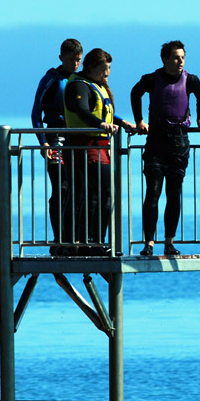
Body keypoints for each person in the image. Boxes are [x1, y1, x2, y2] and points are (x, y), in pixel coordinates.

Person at [130, 40, 200, 256]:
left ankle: (168, 242)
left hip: (179, 142)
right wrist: (139, 120)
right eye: (176, 57)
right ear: (165, 59)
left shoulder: (190, 80)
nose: (180, 61)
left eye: (183, 57)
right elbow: (135, 93)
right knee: (153, 191)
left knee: (174, 193)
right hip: (156, 141)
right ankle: (149, 243)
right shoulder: (151, 79)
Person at [63, 48, 135, 255]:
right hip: (83, 146)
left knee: (97, 194)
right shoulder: (79, 85)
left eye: (109, 69)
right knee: (94, 193)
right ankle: (81, 242)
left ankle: (93, 241)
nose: (107, 74)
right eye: (104, 69)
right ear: (92, 67)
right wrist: (101, 125)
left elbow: (104, 112)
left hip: (99, 146)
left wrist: (122, 122)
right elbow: (82, 111)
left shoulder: (97, 86)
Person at [32, 38, 83, 255]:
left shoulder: (81, 80)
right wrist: (43, 142)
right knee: (61, 188)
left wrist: (120, 121)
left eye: (78, 60)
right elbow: (36, 113)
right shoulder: (51, 79)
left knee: (78, 189)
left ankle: (75, 238)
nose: (75, 64)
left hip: (77, 140)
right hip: (56, 139)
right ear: (61, 57)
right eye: (71, 60)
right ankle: (58, 238)